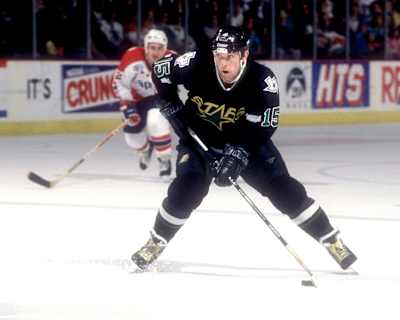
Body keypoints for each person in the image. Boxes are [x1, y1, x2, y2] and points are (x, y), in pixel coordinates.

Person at [131, 26, 357, 271]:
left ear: (244, 55)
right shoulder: (197, 63)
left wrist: (238, 154)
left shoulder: (262, 81)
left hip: (247, 142)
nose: (222, 62)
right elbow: (162, 69)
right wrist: (169, 101)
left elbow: (264, 127)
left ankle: (331, 239)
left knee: (284, 190)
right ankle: (156, 241)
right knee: (186, 190)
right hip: (199, 139)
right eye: (219, 55)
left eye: (229, 56)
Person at [112, 29, 175, 177]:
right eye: (152, 48)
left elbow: (186, 84)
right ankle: (145, 149)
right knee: (132, 137)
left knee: (155, 120)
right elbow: (120, 83)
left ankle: (164, 158)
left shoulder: (172, 60)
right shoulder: (133, 57)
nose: (156, 52)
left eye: (160, 48)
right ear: (146, 47)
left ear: (164, 49)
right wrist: (127, 106)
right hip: (137, 100)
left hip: (161, 99)